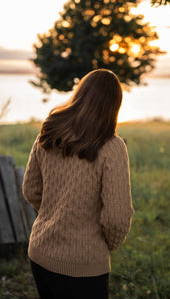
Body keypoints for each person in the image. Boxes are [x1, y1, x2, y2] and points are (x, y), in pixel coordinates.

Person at [22, 69, 134, 299]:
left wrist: (54, 216)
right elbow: (117, 216)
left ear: (80, 94)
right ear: (114, 105)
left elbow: (30, 189)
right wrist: (104, 245)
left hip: (40, 253)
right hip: (84, 267)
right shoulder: (113, 147)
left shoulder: (50, 131)